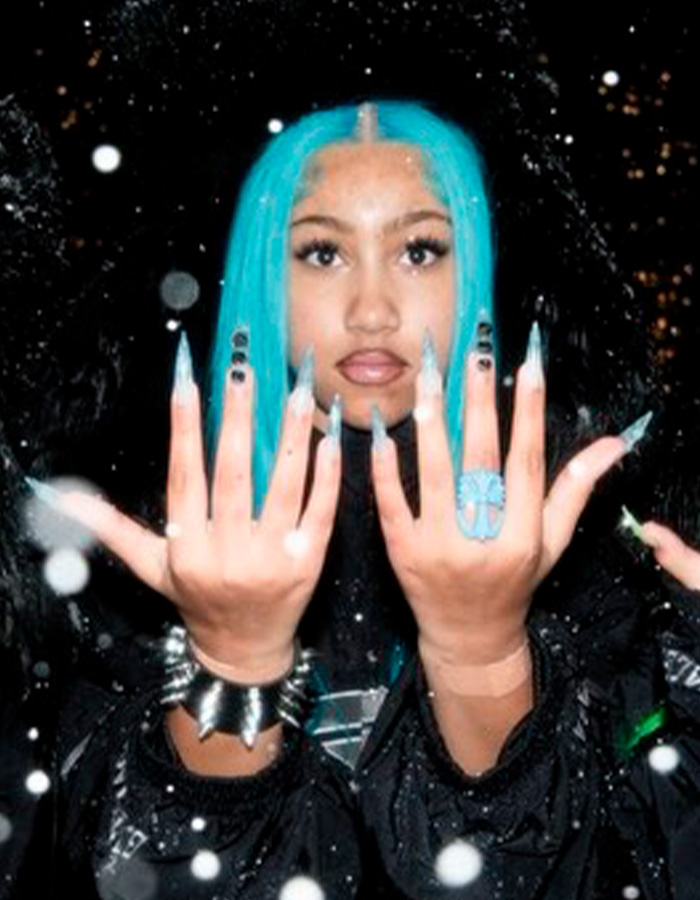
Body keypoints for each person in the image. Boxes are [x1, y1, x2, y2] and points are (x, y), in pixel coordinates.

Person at [22, 100, 700, 899]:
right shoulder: (141, 547)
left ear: (474, 265)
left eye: (418, 249)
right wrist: (233, 660)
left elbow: (592, 869)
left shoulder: (596, 543)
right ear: (260, 274)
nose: (371, 310)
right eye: (321, 252)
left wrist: (480, 647)